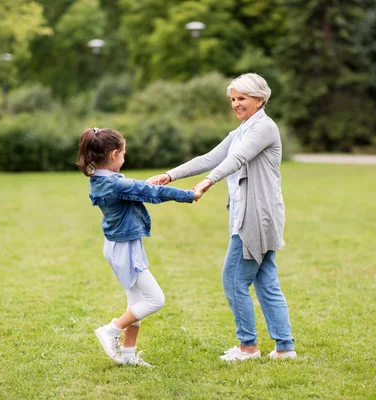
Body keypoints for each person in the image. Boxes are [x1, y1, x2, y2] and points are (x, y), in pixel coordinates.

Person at [148, 73, 296, 362]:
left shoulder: (263, 128)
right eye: (233, 99)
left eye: (242, 98)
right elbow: (210, 157)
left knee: (233, 279)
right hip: (254, 214)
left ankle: (248, 347)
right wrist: (170, 174)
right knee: (266, 281)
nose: (236, 104)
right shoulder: (242, 130)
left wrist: (208, 182)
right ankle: (284, 347)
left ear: (259, 99)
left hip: (256, 217)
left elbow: (236, 160)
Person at [77, 127, 198, 367]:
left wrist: (147, 182)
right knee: (155, 300)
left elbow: (133, 187)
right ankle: (111, 330)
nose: (124, 158)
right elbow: (149, 193)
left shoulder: (102, 179)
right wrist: (188, 195)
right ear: (113, 155)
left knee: (136, 304)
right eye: (123, 154)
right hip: (124, 248)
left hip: (119, 244)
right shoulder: (115, 183)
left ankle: (129, 357)